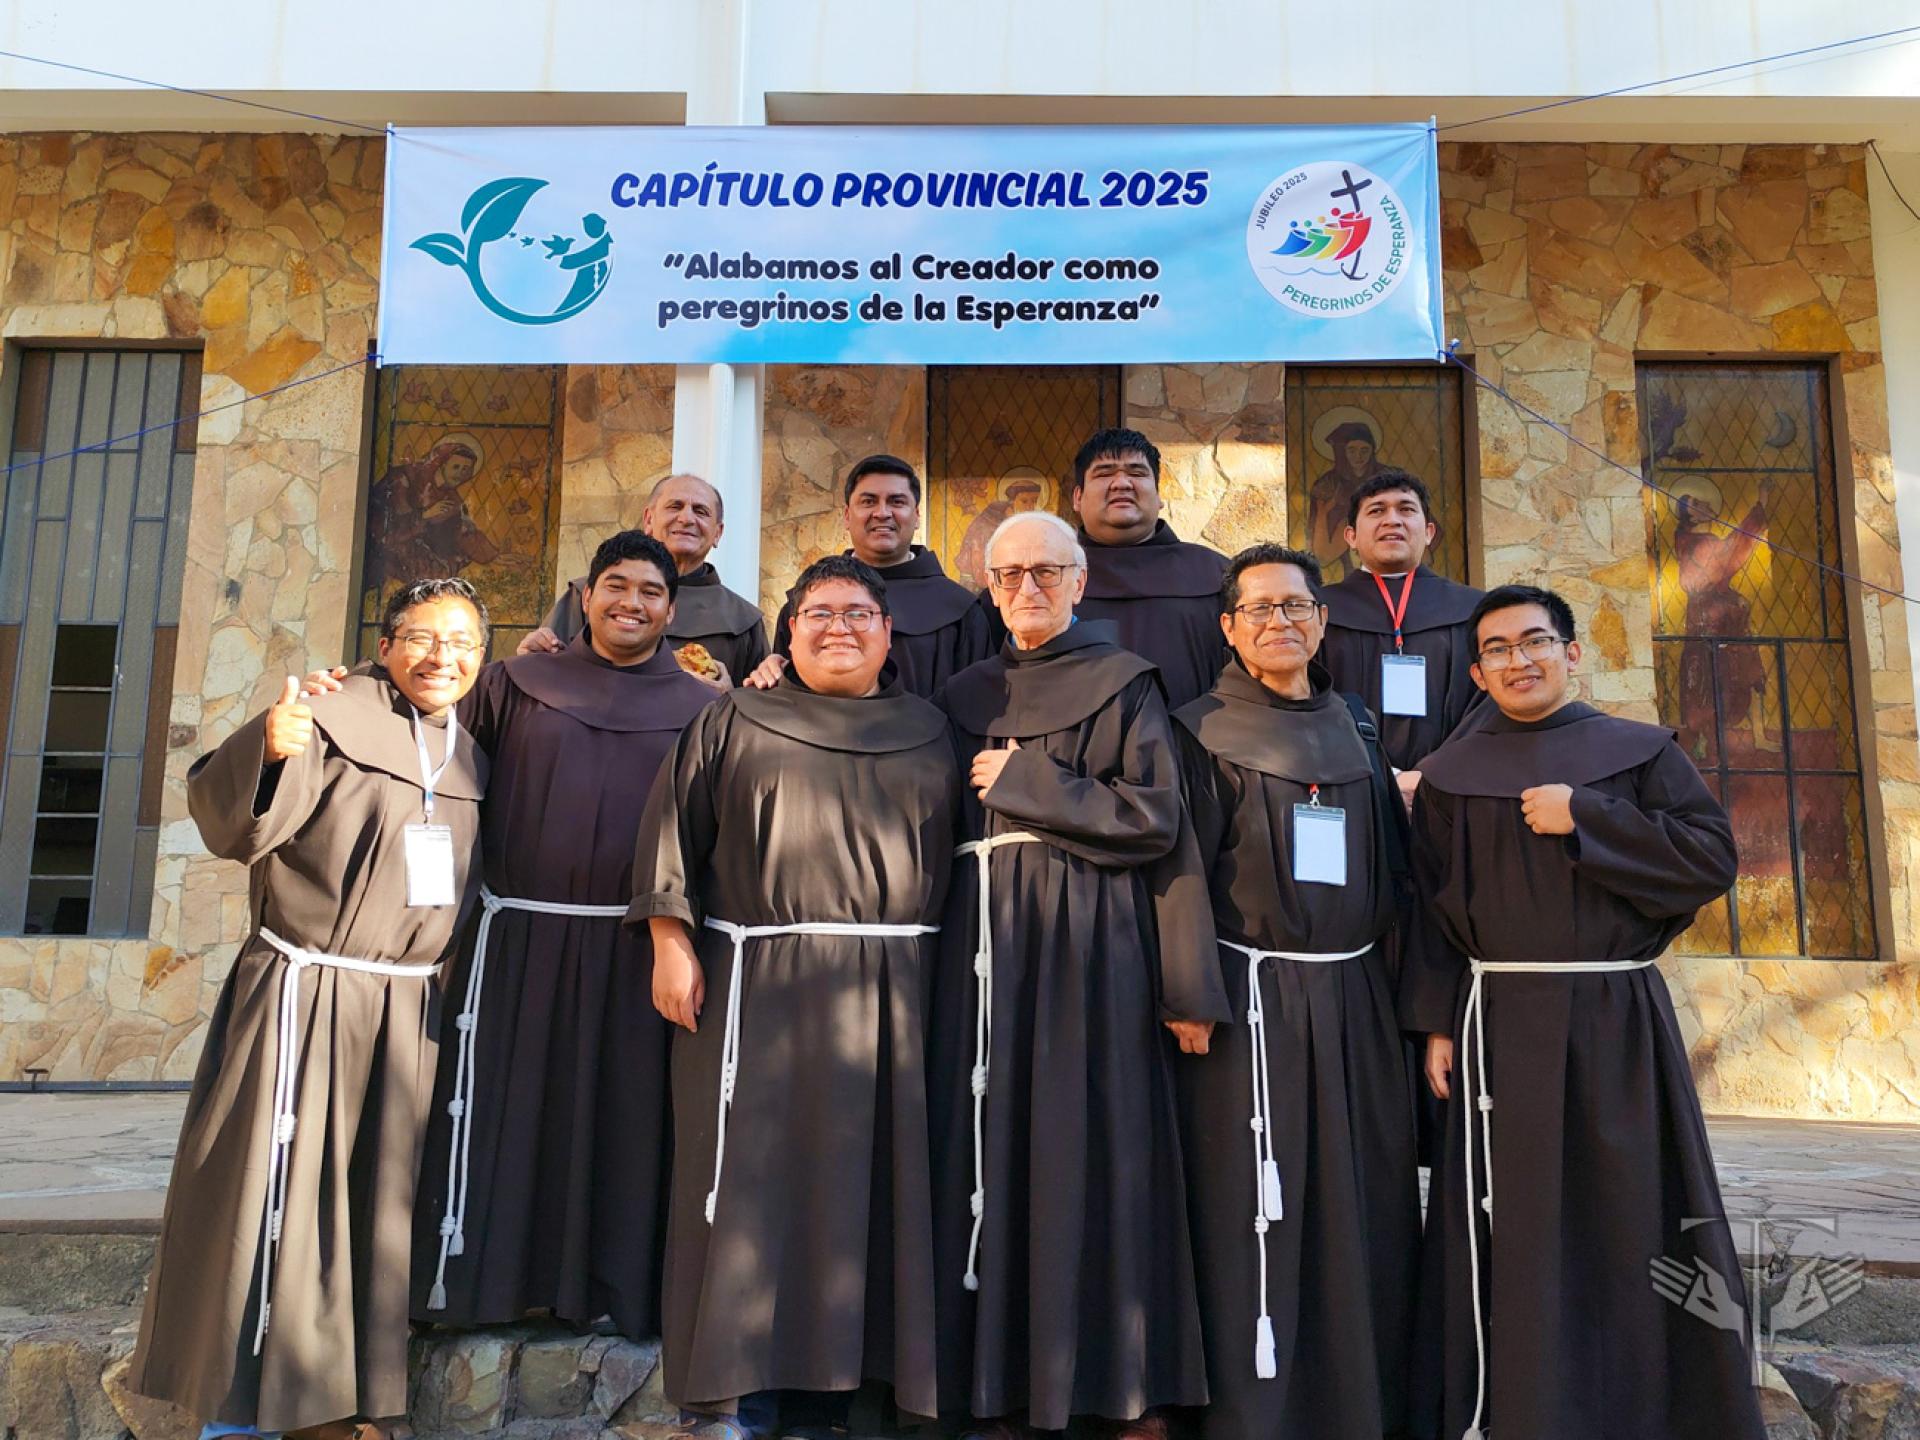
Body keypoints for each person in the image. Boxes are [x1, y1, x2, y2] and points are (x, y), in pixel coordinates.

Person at [1398, 584, 1766, 1440]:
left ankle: (1638, 1409)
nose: (1517, 661)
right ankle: (1511, 1407)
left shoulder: (1638, 753)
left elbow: (1710, 858)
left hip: (1612, 1016)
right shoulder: (1451, 776)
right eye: (1497, 650)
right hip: (1495, 1022)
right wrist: (1437, 1021)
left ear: (1571, 653)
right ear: (1477, 674)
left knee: (1626, 1208)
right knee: (1512, 1216)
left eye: (1534, 642)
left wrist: (1588, 815)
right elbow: (1428, 903)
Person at [128, 579, 491, 1440]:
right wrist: (269, 745)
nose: (443, 657)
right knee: (268, 1191)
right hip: (304, 993)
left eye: (463, 643)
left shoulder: (470, 755)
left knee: (371, 1206)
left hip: (406, 1010)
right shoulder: (326, 715)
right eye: (423, 637)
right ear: (385, 643)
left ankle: (339, 1402)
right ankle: (240, 1414)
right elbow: (237, 828)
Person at [631, 554, 961, 1436]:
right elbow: (674, 829)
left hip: (894, 998)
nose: (838, 628)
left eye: (857, 613)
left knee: (873, 1192)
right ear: (788, 632)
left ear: (887, 633)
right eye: (818, 613)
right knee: (751, 1188)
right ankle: (744, 1388)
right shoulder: (735, 716)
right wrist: (670, 942)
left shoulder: (931, 729)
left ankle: (850, 1393)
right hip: (757, 985)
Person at [932, 510, 1226, 1436]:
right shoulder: (963, 693)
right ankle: (994, 1384)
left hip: (1094, 943)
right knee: (987, 1146)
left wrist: (1027, 783)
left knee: (1096, 1142)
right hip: (982, 947)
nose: (1028, 588)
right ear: (989, 588)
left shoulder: (1125, 683)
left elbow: (1155, 819)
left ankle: (1118, 1384)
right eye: (1010, 574)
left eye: (1046, 572)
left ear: (1079, 582)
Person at [406, 531, 719, 1339]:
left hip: (635, 951)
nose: (630, 603)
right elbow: (431, 772)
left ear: (671, 611)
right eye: (616, 586)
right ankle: (495, 1287)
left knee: (626, 1121)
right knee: (511, 1116)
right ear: (585, 596)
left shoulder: (704, 709)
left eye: (650, 592)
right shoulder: (513, 683)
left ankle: (613, 1291)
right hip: (518, 945)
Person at [1172, 545, 1419, 1440]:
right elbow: (1178, 871)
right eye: (1260, 609)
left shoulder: (1357, 724)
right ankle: (1255, 1411)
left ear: (1321, 621)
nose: (1279, 622)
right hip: (1251, 1001)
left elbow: (1400, 869)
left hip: (1355, 995)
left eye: (1296, 606)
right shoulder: (1197, 728)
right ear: (1230, 628)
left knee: (1365, 1197)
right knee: (1253, 1201)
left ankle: (1359, 1403)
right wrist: (1189, 992)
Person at [748, 454, 993, 698]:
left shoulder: (961, 611)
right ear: (847, 515)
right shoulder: (805, 606)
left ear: (917, 515)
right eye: (868, 501)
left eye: (897, 502)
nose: (882, 513)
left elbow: (976, 701)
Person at [1317, 470, 1485, 813]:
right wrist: (1385, 775)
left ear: (1429, 532)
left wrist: (1431, 774)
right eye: (1376, 510)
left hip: (1452, 794)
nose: (1392, 519)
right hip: (1350, 789)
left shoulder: (1475, 610)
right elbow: (1308, 700)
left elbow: (1489, 705)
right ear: (1351, 536)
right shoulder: (1317, 612)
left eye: (1406, 509)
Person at [519, 473, 770, 683]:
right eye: (675, 506)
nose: (686, 519)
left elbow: (757, 706)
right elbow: (545, 674)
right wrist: (532, 657)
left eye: (701, 511)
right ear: (649, 520)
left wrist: (728, 699)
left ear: (717, 533)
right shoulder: (590, 593)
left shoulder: (743, 620)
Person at [1061, 427, 1228, 711]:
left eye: (1136, 473)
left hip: (1194, 738)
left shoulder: (1217, 574)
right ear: (1077, 497)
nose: (1121, 483)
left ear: (1160, 496)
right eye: (1104, 473)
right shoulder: (1043, 577)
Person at [1307, 420, 1385, 571]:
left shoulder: (1388, 477)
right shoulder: (1327, 484)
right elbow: (1321, 553)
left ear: (1372, 451)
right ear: (1342, 452)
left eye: (1364, 450)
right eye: (1351, 450)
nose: (1358, 456)